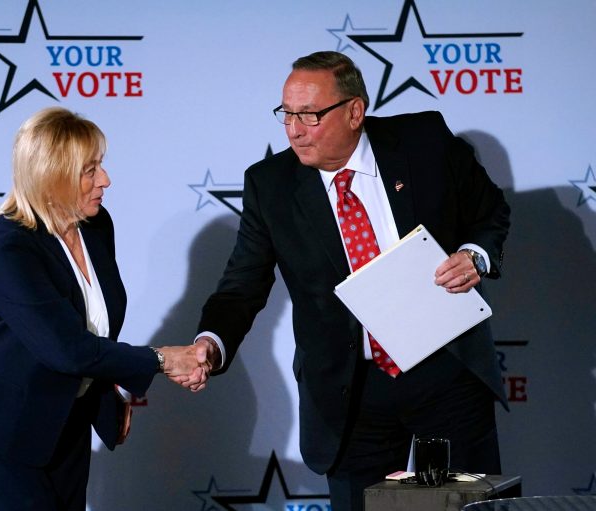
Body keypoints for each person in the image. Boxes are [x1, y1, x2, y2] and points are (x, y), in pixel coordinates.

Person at [187, 51, 510, 510]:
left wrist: (475, 256)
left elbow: (490, 212)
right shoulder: (270, 184)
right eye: (286, 115)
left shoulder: (423, 142)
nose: (294, 129)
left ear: (355, 111)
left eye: (309, 115)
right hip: (351, 391)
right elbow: (243, 283)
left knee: (467, 507)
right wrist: (212, 341)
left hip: (445, 371)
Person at [0, 107, 207, 510]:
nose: (106, 180)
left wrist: (105, 391)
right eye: (89, 170)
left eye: (101, 166)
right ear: (50, 176)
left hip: (63, 411)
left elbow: (90, 328)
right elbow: (64, 347)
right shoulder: (8, 245)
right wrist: (163, 360)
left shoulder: (95, 225)